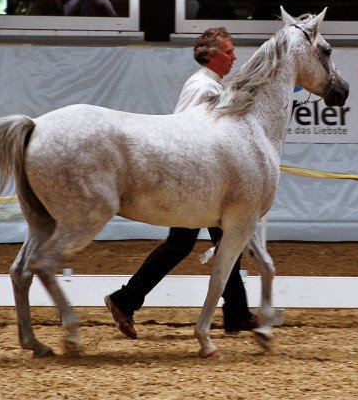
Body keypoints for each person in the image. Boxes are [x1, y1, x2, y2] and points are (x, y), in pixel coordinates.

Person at [104, 27, 258, 337]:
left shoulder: (209, 85)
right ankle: (125, 299)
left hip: (208, 185)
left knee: (217, 243)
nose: (234, 56)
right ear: (212, 55)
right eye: (228, 52)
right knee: (186, 245)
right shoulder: (204, 88)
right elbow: (184, 132)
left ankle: (236, 313)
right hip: (197, 185)